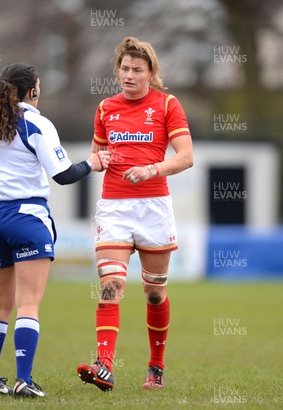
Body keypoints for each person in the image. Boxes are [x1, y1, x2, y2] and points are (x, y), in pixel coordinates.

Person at [0, 63, 111, 398]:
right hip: (28, 217)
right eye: (39, 87)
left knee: (0, 303)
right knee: (28, 304)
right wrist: (92, 163)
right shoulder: (36, 122)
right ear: (32, 90)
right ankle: (23, 380)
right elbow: (62, 174)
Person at [76, 37, 193, 391]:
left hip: (154, 206)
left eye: (136, 70)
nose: (128, 75)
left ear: (151, 73)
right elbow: (98, 154)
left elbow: (186, 156)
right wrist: (98, 160)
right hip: (114, 206)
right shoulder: (105, 108)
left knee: (154, 292)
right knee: (110, 286)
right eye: (124, 69)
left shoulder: (167, 104)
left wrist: (151, 169)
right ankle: (104, 365)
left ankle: (156, 366)